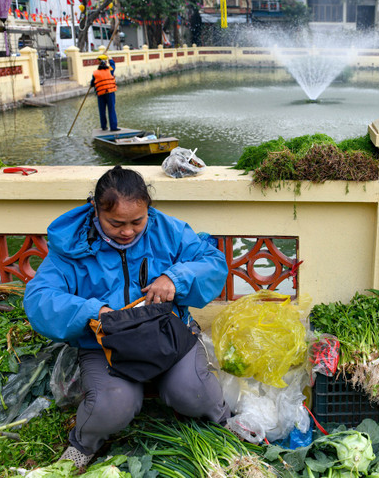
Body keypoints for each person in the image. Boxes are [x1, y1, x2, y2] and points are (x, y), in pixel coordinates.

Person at [23, 166, 230, 469]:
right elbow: (39, 297)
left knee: (193, 393)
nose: (128, 231)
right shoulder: (73, 244)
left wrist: (176, 278)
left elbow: (212, 262)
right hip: (105, 346)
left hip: (168, 336)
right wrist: (92, 311)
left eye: (138, 221)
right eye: (116, 223)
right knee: (113, 406)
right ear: (95, 210)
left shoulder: (168, 232)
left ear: (149, 209)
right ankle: (83, 445)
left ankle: (223, 421)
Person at [91, 55, 119, 131]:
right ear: (106, 62)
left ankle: (104, 126)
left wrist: (92, 84)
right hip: (110, 93)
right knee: (111, 109)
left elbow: (92, 83)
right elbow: (113, 65)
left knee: (102, 110)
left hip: (101, 94)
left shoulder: (95, 73)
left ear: (99, 63)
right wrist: (110, 58)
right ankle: (113, 127)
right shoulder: (110, 70)